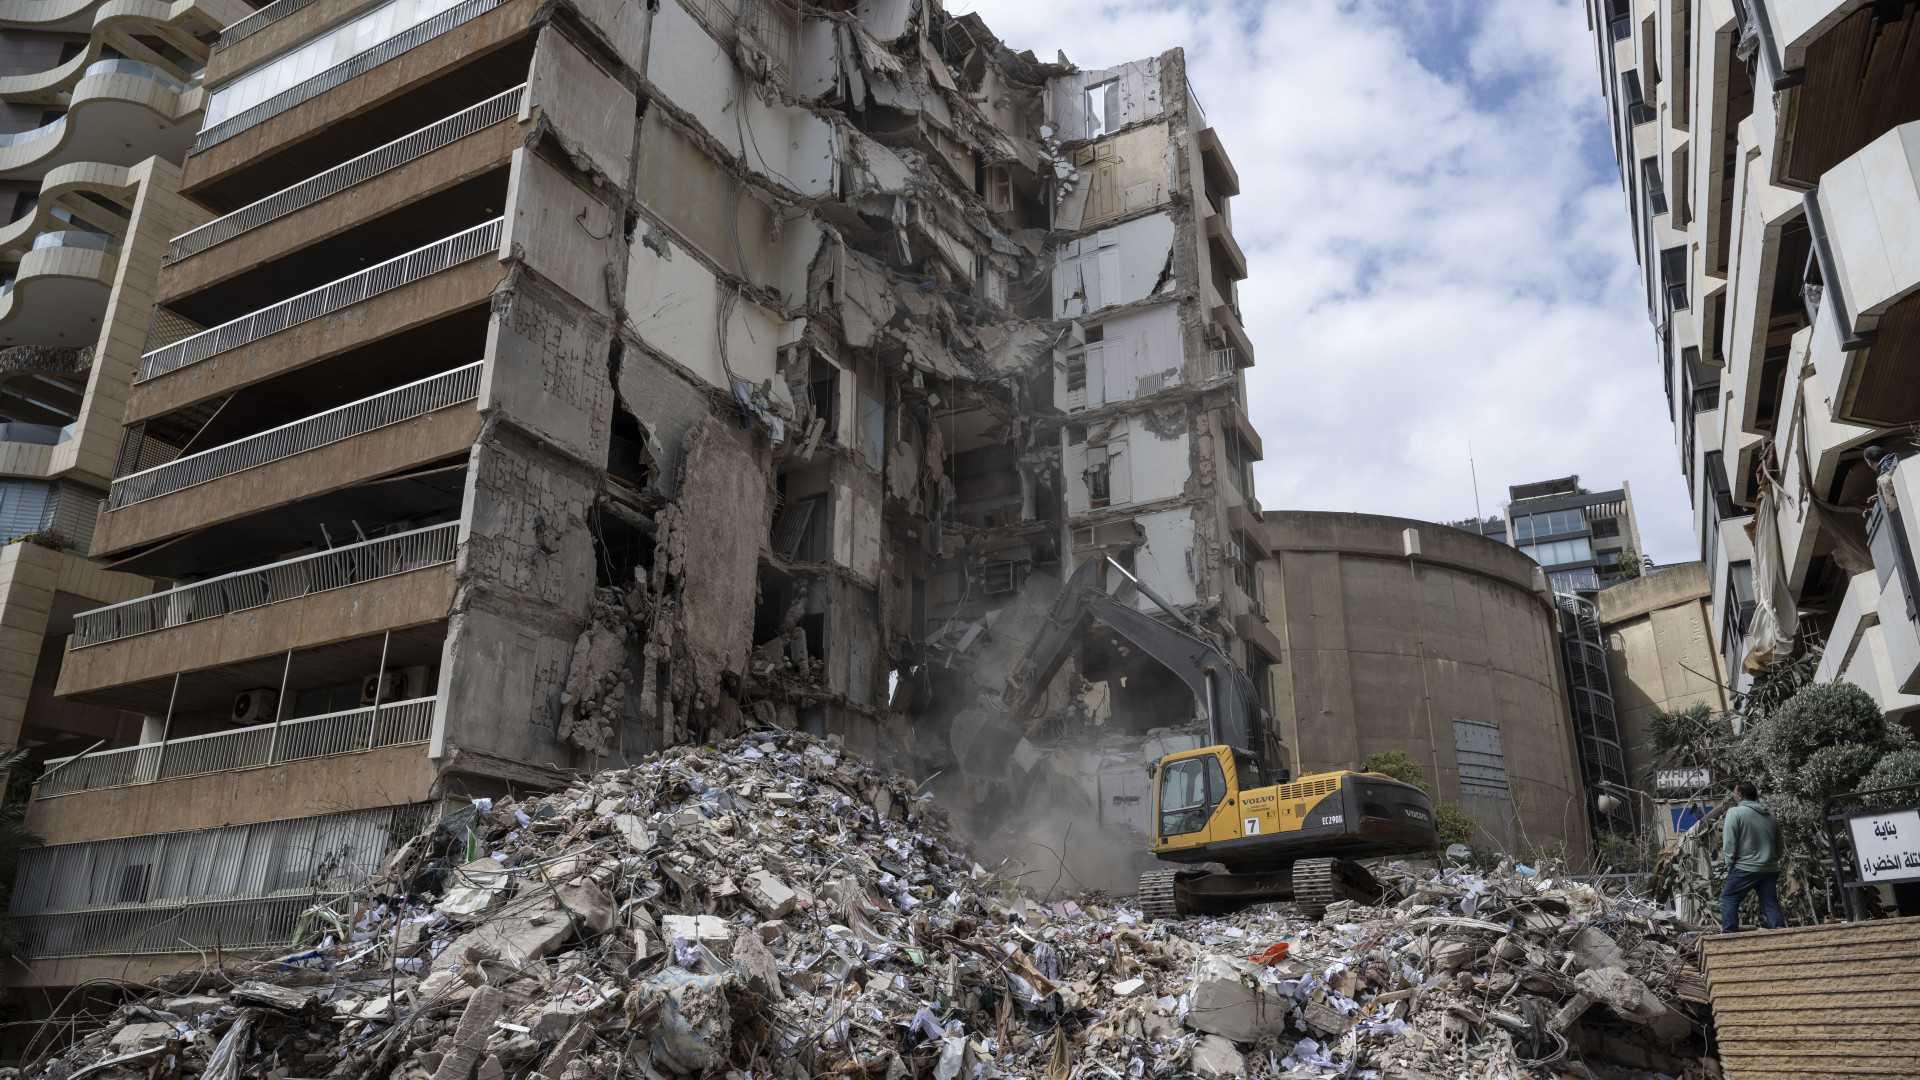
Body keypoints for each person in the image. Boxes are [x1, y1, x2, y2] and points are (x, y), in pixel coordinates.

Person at [1720, 780, 1784, 932]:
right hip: (1769, 868)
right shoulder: (1770, 816)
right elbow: (1779, 845)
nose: (1734, 795)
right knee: (1770, 903)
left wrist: (1730, 864)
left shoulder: (1734, 813)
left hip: (1744, 867)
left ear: (1740, 796)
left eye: (1734, 793)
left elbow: (1729, 841)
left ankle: (1730, 939)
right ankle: (1782, 935)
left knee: (1728, 898)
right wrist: (1771, 861)